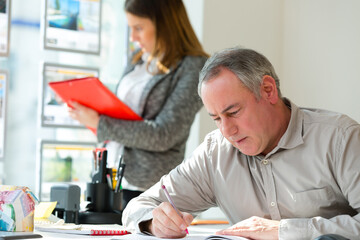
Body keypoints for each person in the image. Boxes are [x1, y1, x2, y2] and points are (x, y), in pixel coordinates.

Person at [121, 47, 360, 240]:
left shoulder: (340, 138)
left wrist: (283, 231)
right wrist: (155, 221)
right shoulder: (214, 154)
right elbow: (138, 206)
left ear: (268, 90)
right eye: (216, 118)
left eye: (233, 112)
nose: (227, 131)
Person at [68, 0, 208, 208]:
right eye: (130, 28)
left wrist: (101, 124)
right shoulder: (139, 59)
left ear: (165, 24)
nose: (133, 38)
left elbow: (165, 134)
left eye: (139, 28)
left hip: (147, 190)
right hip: (110, 179)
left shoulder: (194, 67)